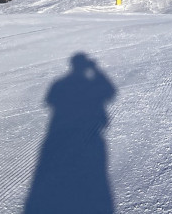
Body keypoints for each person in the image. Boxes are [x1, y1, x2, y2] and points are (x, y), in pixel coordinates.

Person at [24, 53, 117, 214]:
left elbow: (49, 100)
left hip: (62, 130)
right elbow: (110, 91)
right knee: (88, 169)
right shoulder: (90, 83)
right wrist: (96, 70)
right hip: (88, 132)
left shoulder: (60, 84)